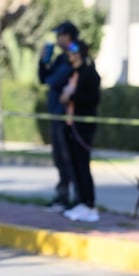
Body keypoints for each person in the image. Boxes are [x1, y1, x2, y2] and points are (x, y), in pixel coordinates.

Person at [39, 21, 79, 212]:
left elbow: (54, 80)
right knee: (59, 158)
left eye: (60, 36)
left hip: (67, 117)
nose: (57, 40)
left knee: (69, 158)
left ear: (68, 36)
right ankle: (62, 196)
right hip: (55, 113)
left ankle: (77, 198)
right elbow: (44, 79)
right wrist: (43, 60)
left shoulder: (74, 54)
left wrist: (70, 46)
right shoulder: (60, 59)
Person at [60, 41, 101, 223]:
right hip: (70, 125)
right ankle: (80, 201)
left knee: (83, 165)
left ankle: (89, 203)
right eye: (69, 52)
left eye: (74, 52)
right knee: (74, 165)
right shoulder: (72, 73)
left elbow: (93, 99)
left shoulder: (90, 74)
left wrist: (72, 97)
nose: (71, 55)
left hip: (83, 127)